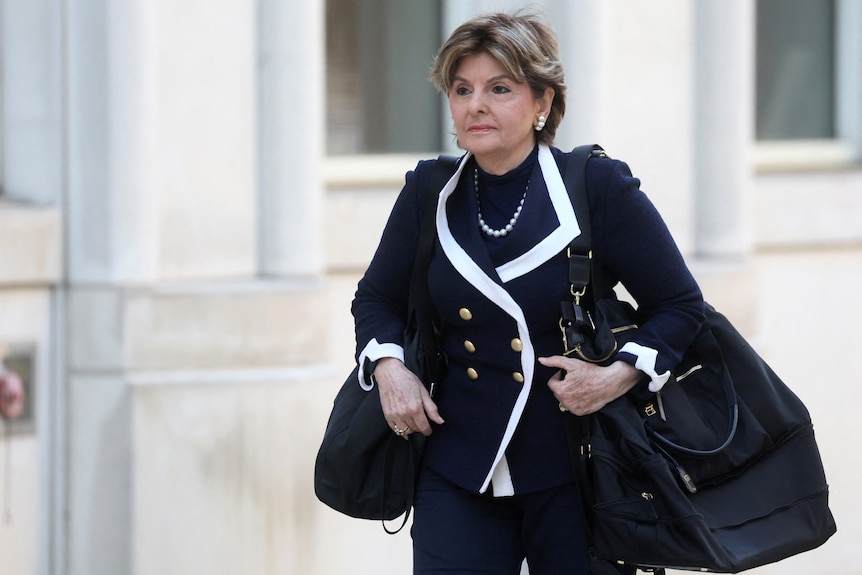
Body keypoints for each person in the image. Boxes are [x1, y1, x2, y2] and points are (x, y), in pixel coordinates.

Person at [351, 10, 705, 574]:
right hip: (460, 463)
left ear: (543, 102)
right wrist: (390, 369)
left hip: (580, 470)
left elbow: (680, 306)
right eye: (461, 89)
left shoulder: (596, 186)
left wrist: (617, 376)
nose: (476, 105)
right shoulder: (429, 190)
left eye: (500, 88)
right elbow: (376, 299)